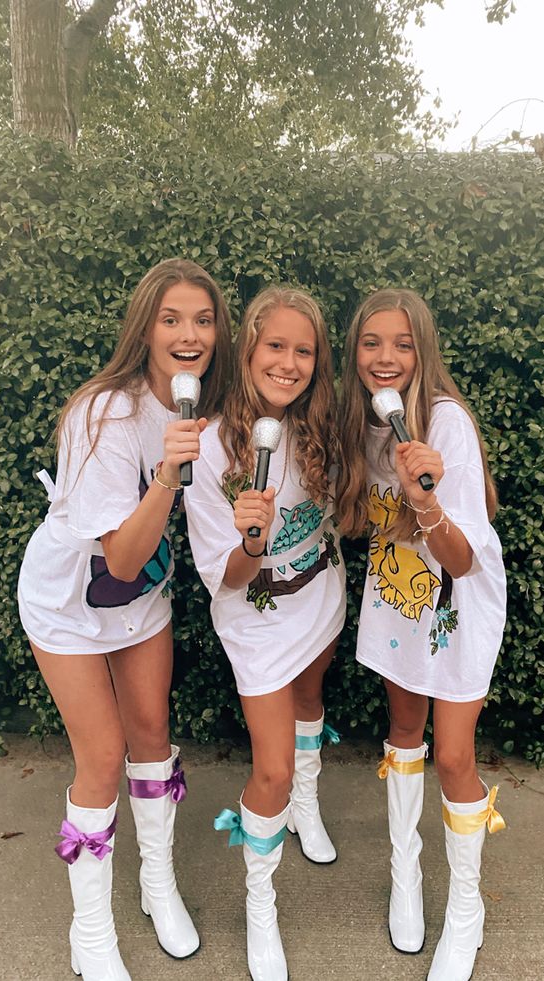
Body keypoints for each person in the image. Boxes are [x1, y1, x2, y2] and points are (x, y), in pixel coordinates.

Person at [17, 258, 231, 981]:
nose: (188, 332)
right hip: (70, 604)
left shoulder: (206, 405)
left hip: (142, 601)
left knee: (151, 737)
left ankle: (158, 883)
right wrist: (169, 474)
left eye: (203, 318)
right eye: (171, 318)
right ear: (144, 327)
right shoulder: (102, 411)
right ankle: (91, 927)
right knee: (102, 757)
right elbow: (121, 556)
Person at [335, 288, 506, 981]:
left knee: (456, 756)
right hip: (399, 596)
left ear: (423, 351)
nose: (386, 356)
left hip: (458, 606)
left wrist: (426, 499)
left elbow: (462, 561)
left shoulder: (447, 423)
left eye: (402, 343)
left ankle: (466, 906)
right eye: (372, 342)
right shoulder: (365, 424)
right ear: (356, 351)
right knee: (404, 733)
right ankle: (406, 876)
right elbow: (355, 518)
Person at [183, 286, 346, 981]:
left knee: (312, 702)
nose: (288, 362)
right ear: (247, 348)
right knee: (269, 767)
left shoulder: (321, 424)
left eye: (303, 349)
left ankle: (307, 804)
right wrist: (253, 533)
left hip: (322, 595)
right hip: (258, 619)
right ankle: (260, 900)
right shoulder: (215, 447)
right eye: (274, 346)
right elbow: (225, 575)